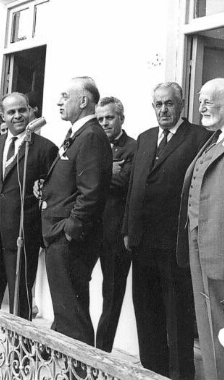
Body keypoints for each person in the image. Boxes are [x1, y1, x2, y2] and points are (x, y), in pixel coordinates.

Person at [122, 82, 211, 380]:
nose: (163, 109)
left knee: (177, 321)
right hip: (141, 244)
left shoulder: (200, 138)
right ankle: (150, 373)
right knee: (147, 316)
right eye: (158, 104)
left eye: (169, 103)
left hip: (175, 247)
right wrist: (127, 229)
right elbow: (134, 186)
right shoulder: (145, 139)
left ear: (181, 104)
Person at [176, 78, 224, 380]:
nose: (200, 106)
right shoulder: (215, 136)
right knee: (207, 327)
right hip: (200, 246)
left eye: (207, 100)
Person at [40, 77, 112, 345]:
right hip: (60, 234)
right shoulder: (78, 133)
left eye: (64, 96)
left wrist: (69, 231)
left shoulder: (91, 135)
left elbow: (91, 193)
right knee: (67, 311)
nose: (59, 101)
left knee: (73, 316)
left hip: (69, 239)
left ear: (83, 101)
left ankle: (79, 372)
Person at [0, 92, 57, 320]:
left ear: (31, 111)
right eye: (11, 112)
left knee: (20, 302)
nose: (17, 116)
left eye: (22, 110)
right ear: (2, 116)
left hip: (22, 237)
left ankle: (17, 355)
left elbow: (49, 194)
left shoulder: (45, 148)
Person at [94, 96, 137, 352]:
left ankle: (101, 353)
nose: (104, 123)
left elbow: (125, 183)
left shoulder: (134, 147)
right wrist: (109, 169)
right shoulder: (92, 143)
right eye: (100, 119)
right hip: (87, 231)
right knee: (71, 287)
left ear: (121, 118)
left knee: (111, 297)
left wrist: (94, 172)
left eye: (109, 117)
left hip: (114, 235)